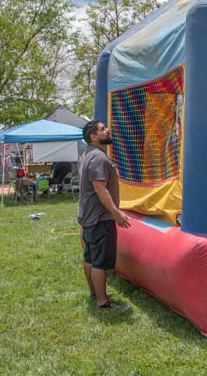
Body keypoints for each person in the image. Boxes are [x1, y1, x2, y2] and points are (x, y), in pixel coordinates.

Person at [78, 120, 131, 310]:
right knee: (100, 262)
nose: (107, 131)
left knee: (90, 258)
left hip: (88, 217)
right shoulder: (99, 158)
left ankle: (95, 293)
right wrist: (116, 213)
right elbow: (100, 189)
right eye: (102, 129)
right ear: (93, 136)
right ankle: (103, 302)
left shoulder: (86, 155)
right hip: (100, 218)